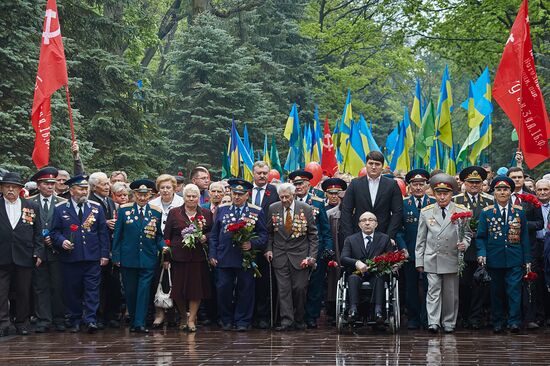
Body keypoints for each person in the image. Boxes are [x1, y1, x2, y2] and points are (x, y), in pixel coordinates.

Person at [50, 175, 110, 333]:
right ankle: (75, 317)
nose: (84, 191)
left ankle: (90, 319)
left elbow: (102, 233)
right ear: (71, 191)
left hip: (92, 256)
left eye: (86, 188)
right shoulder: (60, 209)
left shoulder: (96, 207)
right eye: (81, 188)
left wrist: (104, 254)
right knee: (72, 289)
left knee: (92, 289)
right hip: (70, 257)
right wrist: (62, 241)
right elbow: (54, 232)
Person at [208, 178, 267, 331]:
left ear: (247, 195)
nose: (237, 197)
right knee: (223, 289)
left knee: (246, 289)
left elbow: (263, 235)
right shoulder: (222, 209)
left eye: (241, 194)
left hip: (245, 258)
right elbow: (214, 235)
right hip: (224, 257)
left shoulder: (256, 211)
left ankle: (242, 320)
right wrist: (212, 254)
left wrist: (252, 244)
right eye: (235, 193)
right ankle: (226, 319)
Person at [416, 173, 471, 334]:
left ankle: (448, 322)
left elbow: (467, 234)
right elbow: (421, 238)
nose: (441, 197)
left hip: (452, 257)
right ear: (433, 194)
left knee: (450, 294)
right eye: (438, 193)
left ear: (451, 194)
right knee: (433, 292)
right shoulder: (426, 212)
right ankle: (433, 322)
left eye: (445, 193)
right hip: (432, 257)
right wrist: (419, 260)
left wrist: (465, 244)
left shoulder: (462, 211)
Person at [477, 176, 531, 334]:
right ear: (493, 192)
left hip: (515, 258)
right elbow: (481, 237)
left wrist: (527, 259)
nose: (502, 192)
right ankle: (498, 321)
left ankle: (514, 321)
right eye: (499, 189)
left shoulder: (519, 212)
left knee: (514, 291)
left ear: (510, 192)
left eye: (505, 189)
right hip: (494, 259)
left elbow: (525, 237)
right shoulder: (486, 213)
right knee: (496, 292)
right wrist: (482, 254)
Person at [112, 179, 166, 334]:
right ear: (134, 194)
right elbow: (118, 235)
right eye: (139, 195)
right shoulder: (124, 210)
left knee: (143, 290)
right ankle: (134, 319)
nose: (142, 198)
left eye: (146, 195)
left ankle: (140, 323)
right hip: (128, 257)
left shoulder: (155, 211)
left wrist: (164, 247)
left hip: (148, 258)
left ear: (150, 195)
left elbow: (158, 236)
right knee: (130, 291)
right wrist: (116, 256)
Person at [265, 183, 318, 331]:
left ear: (293, 195)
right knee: (284, 290)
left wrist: (311, 256)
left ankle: (300, 319)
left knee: (300, 289)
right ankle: (286, 321)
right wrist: (268, 249)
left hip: (300, 256)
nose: (284, 200)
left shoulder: (306, 209)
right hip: (280, 255)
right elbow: (269, 233)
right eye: (281, 197)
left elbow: (313, 235)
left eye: (286, 197)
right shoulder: (273, 208)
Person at [0, 172, 44, 336]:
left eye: (14, 187)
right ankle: (3, 323)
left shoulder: (31, 206)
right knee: (1, 292)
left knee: (23, 291)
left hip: (24, 255)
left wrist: (38, 252)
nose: (10, 189)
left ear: (20, 189)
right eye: (7, 186)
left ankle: (22, 322)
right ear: (2, 188)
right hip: (2, 255)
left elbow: (38, 233)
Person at [164, 184, 213, 332]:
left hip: (197, 258)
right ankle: (183, 317)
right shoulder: (174, 213)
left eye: (194, 196)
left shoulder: (205, 213)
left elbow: (213, 233)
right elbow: (167, 237)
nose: (191, 199)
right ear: (183, 197)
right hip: (178, 257)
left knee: (195, 290)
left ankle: (192, 319)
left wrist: (206, 237)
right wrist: (166, 258)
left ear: (199, 198)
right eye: (188, 196)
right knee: (178, 290)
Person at [289, 169, 333, 328]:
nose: (298, 187)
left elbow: (325, 229)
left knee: (315, 285)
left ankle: (312, 316)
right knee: (297, 285)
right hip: (294, 250)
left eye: (301, 183)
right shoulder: (289, 201)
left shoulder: (318, 201)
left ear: (308, 184)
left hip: (316, 249)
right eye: (295, 184)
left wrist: (328, 247)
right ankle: (297, 314)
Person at [453, 166, 493, 329]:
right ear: (464, 183)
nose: (474, 185)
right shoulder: (456, 200)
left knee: (480, 285)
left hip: (482, 248)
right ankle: (461, 315)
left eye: (477, 182)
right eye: (471, 182)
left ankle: (475, 317)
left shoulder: (490, 200)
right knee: (462, 285)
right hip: (461, 249)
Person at [28, 167, 66, 333]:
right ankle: (43, 319)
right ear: (38, 184)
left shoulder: (62, 203)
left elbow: (67, 228)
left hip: (57, 251)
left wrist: (58, 240)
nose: (50, 186)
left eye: (52, 183)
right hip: (38, 251)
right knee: (40, 286)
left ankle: (59, 318)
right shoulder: (30, 202)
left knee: (58, 286)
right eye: (46, 183)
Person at [396, 169, 435, 330]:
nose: (418, 187)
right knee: (411, 287)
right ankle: (413, 318)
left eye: (421, 184)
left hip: (431, 252)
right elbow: (398, 230)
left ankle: (428, 318)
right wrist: (403, 248)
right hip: (410, 253)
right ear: (409, 186)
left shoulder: (433, 203)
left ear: (426, 185)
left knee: (430, 287)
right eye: (415, 184)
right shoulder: (404, 204)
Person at [340, 211, 392, 324]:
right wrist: (356, 262)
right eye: (364, 220)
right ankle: (353, 309)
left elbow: (390, 258)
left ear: (376, 224)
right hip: (357, 273)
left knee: (380, 277)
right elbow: (343, 258)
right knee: (352, 278)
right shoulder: (350, 239)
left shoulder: (384, 238)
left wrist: (377, 265)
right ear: (359, 225)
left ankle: (378, 311)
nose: (367, 223)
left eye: (370, 220)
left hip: (376, 273)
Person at [341, 151, 403, 241]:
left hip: (384, 235)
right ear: (366, 165)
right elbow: (346, 211)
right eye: (371, 163)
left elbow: (397, 212)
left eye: (377, 164)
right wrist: (350, 237)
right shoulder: (355, 184)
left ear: (382, 166)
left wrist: (389, 236)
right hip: (358, 235)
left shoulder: (392, 185)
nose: (373, 167)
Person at [148, 174, 184, 327]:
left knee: (175, 280)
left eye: (168, 187)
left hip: (176, 246)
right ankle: (159, 313)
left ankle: (174, 313)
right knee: (157, 280)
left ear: (174, 188)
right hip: (156, 246)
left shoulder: (181, 202)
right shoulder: (152, 203)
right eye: (162, 187)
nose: (165, 190)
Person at [88, 172, 121, 329]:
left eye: (108, 183)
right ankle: (97, 316)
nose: (108, 187)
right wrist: (104, 222)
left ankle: (111, 315)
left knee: (112, 283)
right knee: (98, 285)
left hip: (111, 246)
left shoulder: (110, 201)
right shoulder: (89, 201)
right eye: (104, 184)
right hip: (97, 248)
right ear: (94, 187)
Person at [251, 161, 280, 329]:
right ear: (253, 174)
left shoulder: (275, 192)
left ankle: (264, 317)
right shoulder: (246, 190)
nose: (262, 176)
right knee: (247, 284)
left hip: (268, 245)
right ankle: (250, 315)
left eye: (264, 173)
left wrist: (269, 246)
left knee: (265, 284)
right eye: (259, 173)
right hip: (246, 243)